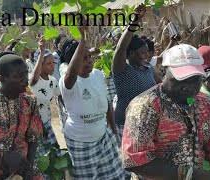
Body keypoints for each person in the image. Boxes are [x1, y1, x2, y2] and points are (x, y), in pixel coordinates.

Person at [122, 44, 210, 180]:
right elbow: (135, 162)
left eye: (195, 79)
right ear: (165, 71)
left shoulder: (203, 102)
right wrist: (191, 175)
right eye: (181, 79)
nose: (189, 87)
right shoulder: (145, 107)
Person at [59, 23, 125, 179]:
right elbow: (71, 74)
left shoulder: (97, 75)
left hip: (103, 135)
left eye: (89, 57)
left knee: (114, 174)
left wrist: (113, 130)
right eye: (83, 58)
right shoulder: (67, 82)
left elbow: (107, 103)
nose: (89, 61)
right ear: (72, 63)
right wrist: (83, 39)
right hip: (81, 142)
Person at [112, 4, 160, 141]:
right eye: (143, 52)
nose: (147, 55)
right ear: (131, 53)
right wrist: (134, 22)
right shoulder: (122, 70)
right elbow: (121, 48)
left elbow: (162, 86)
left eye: (147, 52)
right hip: (128, 123)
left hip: (148, 121)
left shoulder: (148, 68)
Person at [30, 37, 61, 156]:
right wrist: (41, 52)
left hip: (46, 123)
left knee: (55, 155)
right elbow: (34, 78)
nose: (52, 66)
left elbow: (60, 96)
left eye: (53, 63)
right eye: (49, 63)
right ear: (40, 65)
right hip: (33, 127)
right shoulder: (34, 82)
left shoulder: (53, 81)